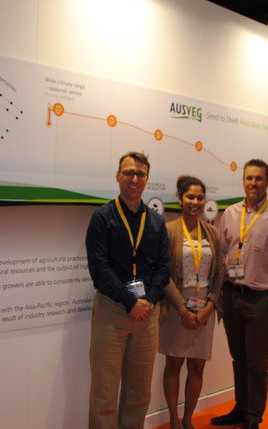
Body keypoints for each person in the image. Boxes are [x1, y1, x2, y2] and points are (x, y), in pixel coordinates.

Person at [211, 159, 268, 429]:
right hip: (231, 296)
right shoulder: (230, 213)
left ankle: (253, 416)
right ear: (243, 181)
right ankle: (240, 409)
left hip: (261, 300)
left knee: (257, 362)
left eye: (258, 178)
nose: (253, 183)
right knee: (239, 358)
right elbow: (222, 255)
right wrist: (218, 295)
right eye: (249, 178)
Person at [85, 151, 171, 429]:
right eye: (128, 172)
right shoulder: (102, 217)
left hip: (147, 315)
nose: (134, 178)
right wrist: (130, 301)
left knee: (139, 392)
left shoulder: (156, 221)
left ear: (147, 179)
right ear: (118, 176)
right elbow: (99, 268)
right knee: (105, 392)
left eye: (140, 174)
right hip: (111, 312)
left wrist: (149, 301)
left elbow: (163, 267)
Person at [159, 176, 222, 429]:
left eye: (199, 197)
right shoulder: (168, 230)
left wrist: (209, 307)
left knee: (197, 368)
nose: (195, 202)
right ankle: (174, 420)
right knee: (173, 365)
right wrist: (182, 308)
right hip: (176, 308)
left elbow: (220, 274)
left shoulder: (213, 232)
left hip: (204, 309)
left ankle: (188, 420)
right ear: (180, 199)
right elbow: (162, 273)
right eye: (190, 197)